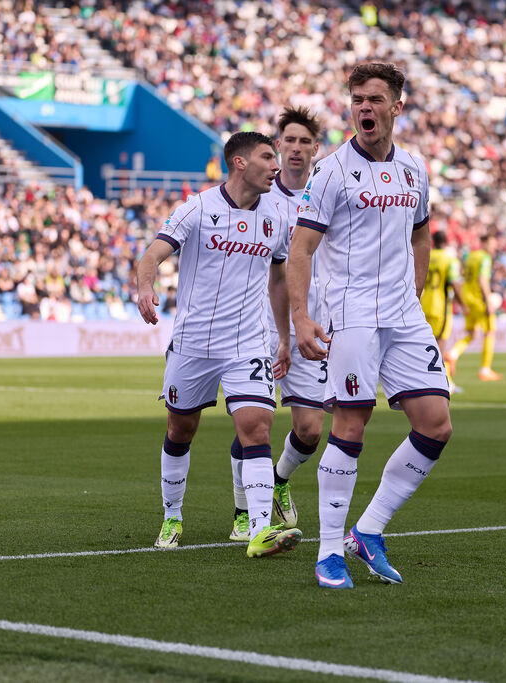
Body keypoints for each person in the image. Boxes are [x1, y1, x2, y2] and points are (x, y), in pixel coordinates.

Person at [289, 62, 453, 589]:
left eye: (375, 99)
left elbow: (422, 234)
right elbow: (302, 247)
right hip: (352, 313)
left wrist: (417, 292)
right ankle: (329, 552)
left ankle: (370, 530)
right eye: (357, 98)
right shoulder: (332, 171)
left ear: (396, 107)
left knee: (436, 423)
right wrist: (302, 317)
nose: (364, 107)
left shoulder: (415, 169)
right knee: (351, 426)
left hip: (404, 314)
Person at [136, 131, 302, 558]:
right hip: (193, 343)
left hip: (248, 343)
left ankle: (260, 529)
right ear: (240, 163)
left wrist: (283, 336)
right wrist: (145, 287)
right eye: (269, 157)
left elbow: (280, 278)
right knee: (180, 429)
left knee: (257, 428)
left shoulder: (279, 216)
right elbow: (151, 255)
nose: (277, 165)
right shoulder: (198, 207)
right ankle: (172, 515)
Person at [229, 107, 326, 543]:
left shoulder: (327, 191)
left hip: (311, 323)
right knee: (254, 421)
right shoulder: (261, 196)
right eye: (290, 141)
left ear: (315, 150)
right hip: (260, 326)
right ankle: (244, 512)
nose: (297, 149)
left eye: (306, 142)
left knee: (309, 430)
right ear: (278, 147)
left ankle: (280, 479)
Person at [448, 232, 502, 381]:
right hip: (479, 301)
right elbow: (482, 279)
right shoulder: (484, 258)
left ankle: (453, 353)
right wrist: (488, 301)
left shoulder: (471, 256)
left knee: (471, 334)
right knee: (489, 332)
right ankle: (485, 369)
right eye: (492, 243)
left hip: (467, 299)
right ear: (484, 243)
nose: (494, 246)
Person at [421, 231, 468, 393]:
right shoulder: (449, 259)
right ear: (446, 241)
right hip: (440, 306)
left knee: (424, 344)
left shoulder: (426, 255)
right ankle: (440, 382)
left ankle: (423, 379)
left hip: (423, 303)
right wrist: (463, 304)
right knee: (440, 344)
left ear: (433, 241)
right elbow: (454, 282)